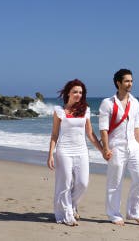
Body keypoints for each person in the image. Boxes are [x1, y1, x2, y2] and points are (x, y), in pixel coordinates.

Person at [47, 79, 103, 226]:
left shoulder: (86, 110)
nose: (78, 94)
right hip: (64, 150)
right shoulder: (59, 111)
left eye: (80, 92)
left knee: (83, 183)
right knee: (65, 183)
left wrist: (103, 150)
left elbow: (90, 134)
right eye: (75, 92)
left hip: (81, 151)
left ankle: (71, 205)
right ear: (68, 93)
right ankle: (66, 215)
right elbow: (54, 134)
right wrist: (50, 154)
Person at [99, 68, 139, 225]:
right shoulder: (107, 103)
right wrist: (105, 148)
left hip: (134, 147)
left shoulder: (135, 102)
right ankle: (114, 214)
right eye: (127, 81)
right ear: (118, 83)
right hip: (116, 147)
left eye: (131, 81)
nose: (130, 84)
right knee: (115, 182)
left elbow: (136, 125)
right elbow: (104, 128)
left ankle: (133, 212)